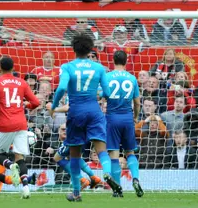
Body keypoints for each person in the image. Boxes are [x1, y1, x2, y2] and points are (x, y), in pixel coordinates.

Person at [50, 34, 122, 202]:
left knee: (75, 154)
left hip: (76, 112)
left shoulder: (67, 67)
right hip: (94, 110)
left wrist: (53, 106)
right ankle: (107, 173)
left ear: (73, 49)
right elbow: (107, 92)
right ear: (90, 49)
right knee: (102, 150)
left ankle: (76, 193)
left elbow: (61, 89)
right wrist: (99, 97)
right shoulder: (98, 68)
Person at [0, 57, 40, 199]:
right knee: (20, 158)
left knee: (0, 155)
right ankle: (26, 188)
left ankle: (10, 166)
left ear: (0, 68)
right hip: (21, 124)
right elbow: (36, 102)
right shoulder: (21, 82)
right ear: (13, 68)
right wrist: (26, 105)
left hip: (5, 124)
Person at [106, 50, 143, 197]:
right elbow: (137, 102)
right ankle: (135, 179)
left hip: (112, 118)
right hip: (127, 118)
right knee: (130, 152)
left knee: (114, 154)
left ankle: (117, 189)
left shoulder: (107, 77)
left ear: (113, 61)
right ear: (126, 61)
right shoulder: (132, 78)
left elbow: (101, 96)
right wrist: (135, 116)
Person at [53, 123, 102, 190]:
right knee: (74, 157)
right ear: (58, 130)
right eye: (63, 129)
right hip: (82, 139)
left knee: (57, 158)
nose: (65, 131)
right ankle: (93, 177)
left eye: (66, 129)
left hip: (72, 139)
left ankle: (81, 180)